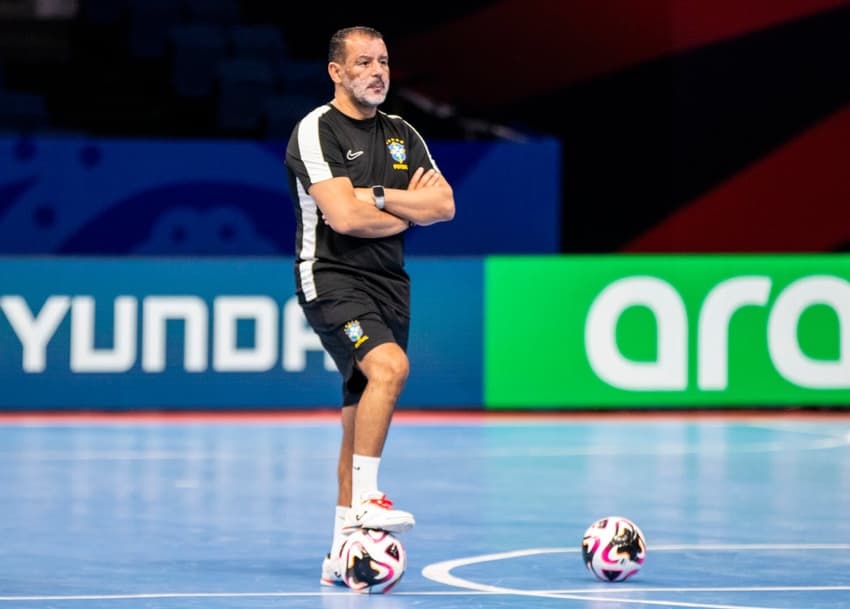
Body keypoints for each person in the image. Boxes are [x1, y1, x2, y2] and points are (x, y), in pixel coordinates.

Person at [284, 25, 455, 586]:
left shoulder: (403, 133)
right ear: (336, 71)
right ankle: (366, 504)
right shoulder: (317, 130)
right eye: (363, 62)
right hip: (330, 276)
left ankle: (340, 555)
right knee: (390, 368)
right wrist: (410, 209)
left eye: (383, 60)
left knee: (359, 412)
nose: (377, 71)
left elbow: (446, 204)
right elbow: (344, 219)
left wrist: (378, 196)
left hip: (389, 283)